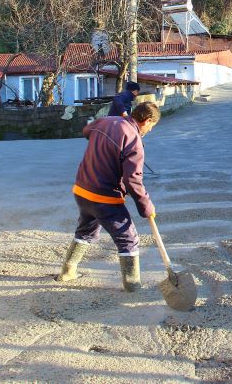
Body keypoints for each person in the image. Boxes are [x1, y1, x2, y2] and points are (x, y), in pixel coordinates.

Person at [55, 101, 160, 292]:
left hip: (82, 190)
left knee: (86, 231)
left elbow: (87, 131)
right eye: (152, 126)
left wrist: (103, 145)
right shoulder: (134, 140)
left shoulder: (105, 121)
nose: (150, 130)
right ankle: (133, 285)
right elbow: (133, 180)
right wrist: (146, 206)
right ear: (146, 120)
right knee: (128, 239)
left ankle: (68, 271)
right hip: (104, 197)